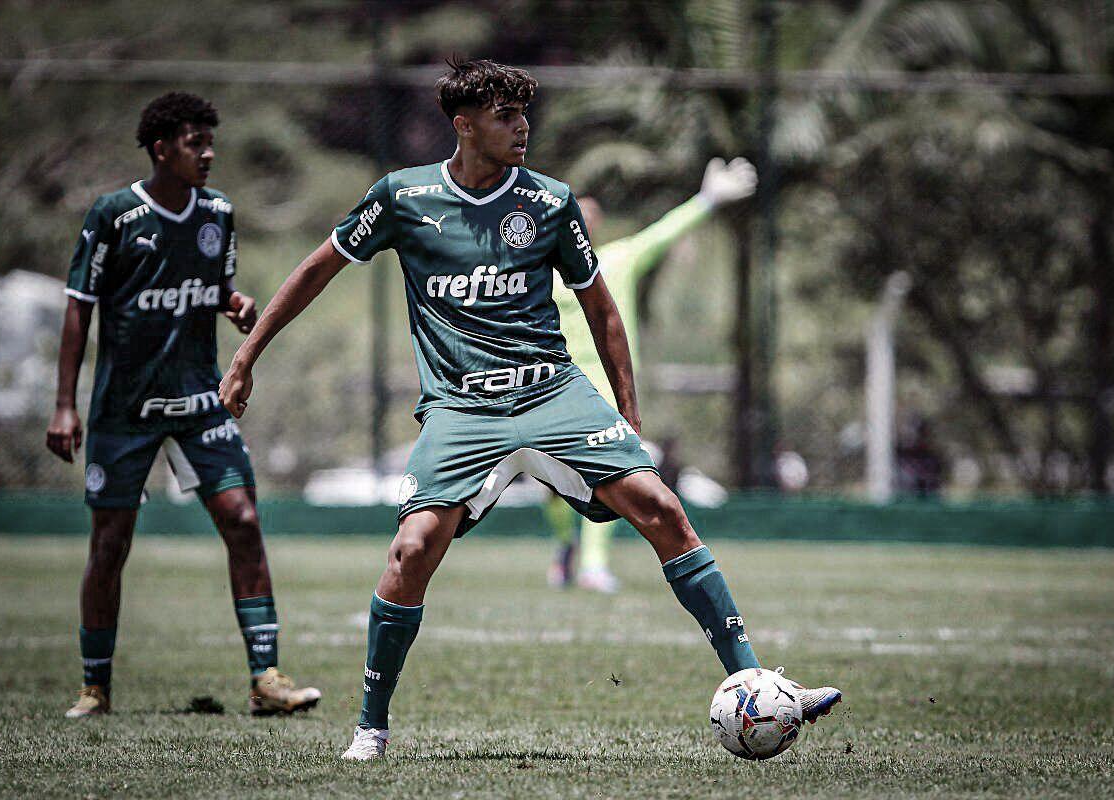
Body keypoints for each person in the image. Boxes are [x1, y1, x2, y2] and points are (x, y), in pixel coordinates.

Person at [218, 59, 841, 761]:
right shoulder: (401, 196)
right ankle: (371, 726)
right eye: (505, 116)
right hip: (461, 409)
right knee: (411, 549)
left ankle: (755, 683)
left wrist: (627, 416)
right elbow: (314, 271)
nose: (522, 128)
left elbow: (601, 309)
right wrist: (245, 358)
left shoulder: (548, 201)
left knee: (662, 509)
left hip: (554, 394)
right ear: (464, 125)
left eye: (524, 114)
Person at [46, 92, 320, 719]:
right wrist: (65, 405)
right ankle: (95, 686)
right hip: (125, 410)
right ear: (160, 147)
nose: (208, 153)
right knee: (110, 543)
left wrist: (233, 303)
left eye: (209, 141)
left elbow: (212, 284)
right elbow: (77, 307)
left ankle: (266, 679)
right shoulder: (113, 215)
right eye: (195, 142)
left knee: (244, 523)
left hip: (199, 401)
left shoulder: (218, 213)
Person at [546, 158, 758, 593]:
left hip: (604, 395)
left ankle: (592, 565)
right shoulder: (537, 277)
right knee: (554, 488)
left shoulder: (616, 261)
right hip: (551, 395)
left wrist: (707, 199)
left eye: (588, 220)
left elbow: (662, 233)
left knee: (609, 478)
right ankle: (568, 545)